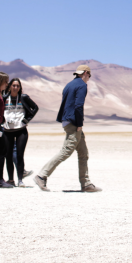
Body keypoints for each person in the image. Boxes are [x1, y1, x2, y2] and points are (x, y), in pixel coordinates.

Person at [34, 64, 102, 193]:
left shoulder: (69, 85)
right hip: (74, 123)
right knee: (66, 151)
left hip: (67, 121)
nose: (89, 78)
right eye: (89, 75)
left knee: (83, 153)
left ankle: (86, 183)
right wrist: (79, 124)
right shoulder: (82, 85)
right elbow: (78, 106)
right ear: (85, 73)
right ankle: (41, 176)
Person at [0, 78, 39, 185]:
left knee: (19, 155)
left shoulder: (23, 98)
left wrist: (27, 119)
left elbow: (35, 108)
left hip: (21, 130)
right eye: (13, 85)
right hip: (7, 130)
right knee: (8, 155)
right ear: (10, 86)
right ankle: (11, 180)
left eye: (18, 86)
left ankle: (20, 180)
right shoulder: (4, 98)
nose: (15, 87)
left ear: (20, 87)